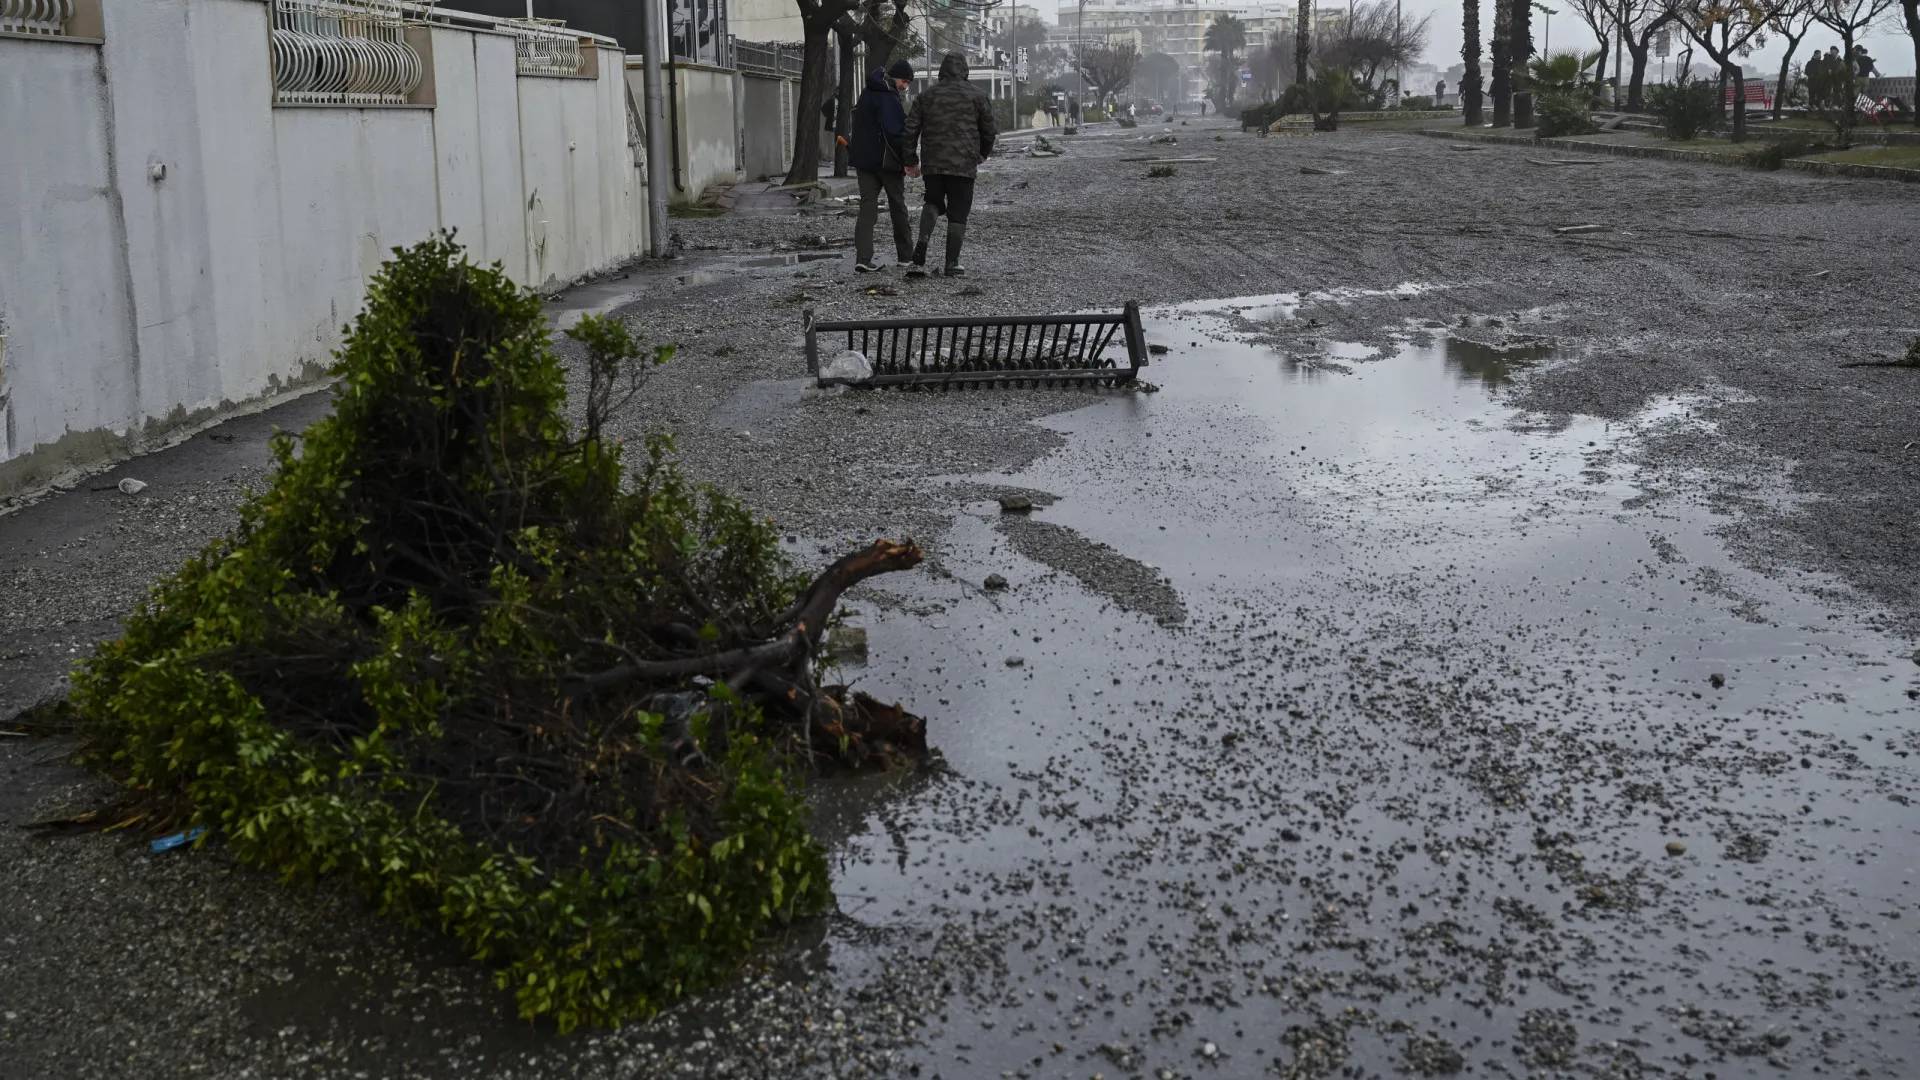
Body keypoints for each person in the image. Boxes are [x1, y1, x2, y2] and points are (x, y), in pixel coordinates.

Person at [901, 52, 997, 278]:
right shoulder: (978, 96)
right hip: (963, 164)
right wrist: (983, 153)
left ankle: (923, 239)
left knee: (933, 201)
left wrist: (911, 161)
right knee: (958, 212)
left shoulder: (926, 96)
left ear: (941, 71)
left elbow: (909, 130)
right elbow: (989, 131)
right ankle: (952, 263)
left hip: (934, 163)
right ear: (965, 70)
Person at [849, 60, 917, 273]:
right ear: (896, 77)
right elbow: (897, 134)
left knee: (867, 207)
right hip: (887, 163)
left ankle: (863, 257)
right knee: (898, 206)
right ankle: (905, 256)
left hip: (864, 161)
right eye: (905, 81)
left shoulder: (867, 92)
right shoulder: (888, 97)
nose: (905, 86)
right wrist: (910, 162)